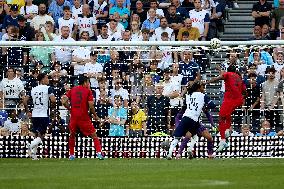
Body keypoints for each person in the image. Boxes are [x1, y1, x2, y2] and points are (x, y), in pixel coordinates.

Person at [166, 81, 213, 159]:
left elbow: (181, 113)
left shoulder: (188, 97)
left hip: (189, 120)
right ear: (198, 87)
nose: (203, 88)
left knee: (185, 136)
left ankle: (176, 153)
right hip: (194, 120)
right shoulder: (201, 96)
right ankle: (182, 152)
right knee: (192, 136)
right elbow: (210, 108)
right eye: (202, 86)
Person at [61, 75, 104, 160]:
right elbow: (91, 105)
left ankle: (72, 155)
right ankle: (99, 153)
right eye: (88, 82)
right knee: (94, 135)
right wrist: (95, 115)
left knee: (72, 135)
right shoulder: (88, 91)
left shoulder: (72, 89)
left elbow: (63, 100)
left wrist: (69, 108)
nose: (89, 84)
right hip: (83, 117)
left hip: (74, 116)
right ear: (85, 82)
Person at [206, 65, 246, 152]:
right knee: (227, 115)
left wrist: (207, 82)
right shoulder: (239, 77)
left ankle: (223, 139)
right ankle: (227, 131)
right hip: (238, 100)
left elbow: (220, 77)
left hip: (229, 99)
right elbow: (245, 91)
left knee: (220, 118)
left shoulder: (228, 74)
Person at [25, 73, 56, 160]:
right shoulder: (48, 88)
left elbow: (24, 100)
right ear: (42, 80)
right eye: (46, 78)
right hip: (43, 114)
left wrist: (28, 111)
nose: (48, 79)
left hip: (34, 114)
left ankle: (34, 155)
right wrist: (53, 107)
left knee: (36, 134)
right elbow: (53, 100)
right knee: (41, 135)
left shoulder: (33, 89)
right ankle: (30, 145)